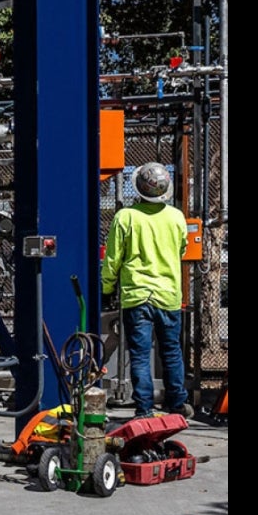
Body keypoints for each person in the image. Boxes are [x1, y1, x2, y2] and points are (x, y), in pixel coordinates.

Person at [100, 162, 194, 420]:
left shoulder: (126, 217)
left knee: (140, 355)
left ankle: (144, 409)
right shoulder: (176, 217)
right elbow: (182, 250)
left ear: (138, 189)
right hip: (169, 295)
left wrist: (106, 288)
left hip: (137, 296)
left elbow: (113, 259)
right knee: (171, 351)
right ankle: (177, 404)